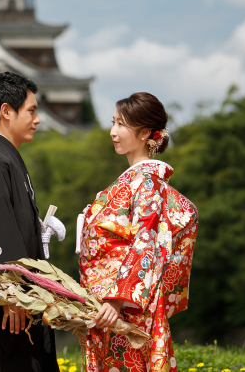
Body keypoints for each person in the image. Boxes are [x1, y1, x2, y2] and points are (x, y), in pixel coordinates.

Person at [77, 92, 198, 372]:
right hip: (108, 301)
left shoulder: (146, 182)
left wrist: (118, 300)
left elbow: (145, 243)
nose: (112, 132)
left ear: (144, 134)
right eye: (113, 123)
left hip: (124, 306)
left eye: (121, 125)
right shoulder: (135, 180)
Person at [0, 71, 61, 372]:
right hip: (7, 317)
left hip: (16, 315)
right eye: (31, 110)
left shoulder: (6, 159)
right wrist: (9, 295)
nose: (37, 119)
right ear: (6, 111)